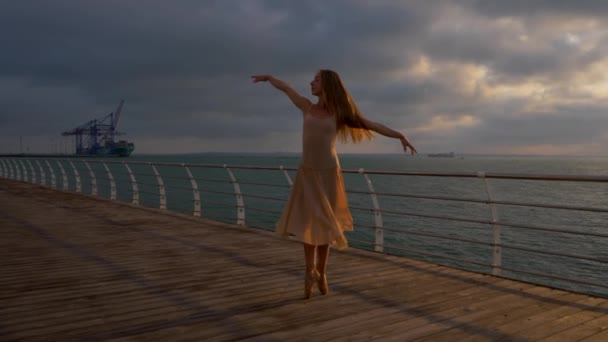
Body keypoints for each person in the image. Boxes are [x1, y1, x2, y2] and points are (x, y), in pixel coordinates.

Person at [252, 70, 416, 299]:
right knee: (309, 224)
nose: (311, 82)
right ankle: (309, 271)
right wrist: (270, 79)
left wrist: (399, 135)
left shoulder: (340, 114)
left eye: (317, 79)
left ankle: (323, 271)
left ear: (328, 84)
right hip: (308, 174)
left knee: (327, 224)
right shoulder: (307, 107)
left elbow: (372, 125)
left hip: (329, 174)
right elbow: (287, 89)